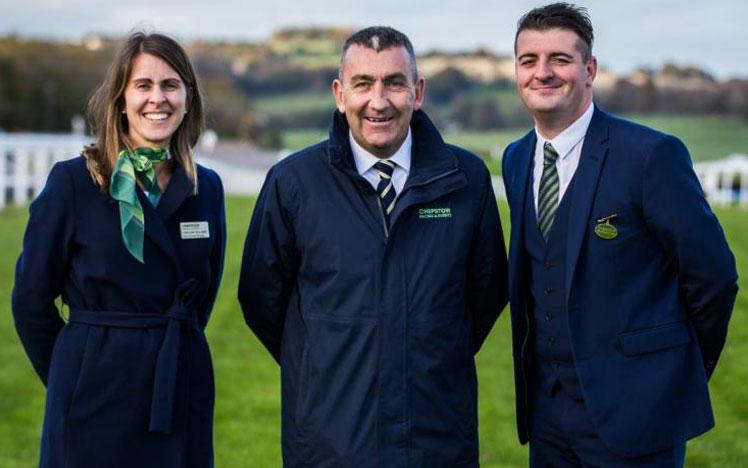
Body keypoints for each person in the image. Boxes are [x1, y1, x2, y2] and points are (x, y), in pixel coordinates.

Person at [238, 26, 508, 466]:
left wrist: (421, 349)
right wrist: (323, 365)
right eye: (363, 84)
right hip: (330, 444)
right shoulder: (293, 183)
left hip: (436, 440)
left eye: (394, 83)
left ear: (417, 92)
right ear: (340, 95)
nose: (378, 101)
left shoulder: (467, 179)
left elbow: (487, 295)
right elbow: (260, 300)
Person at [501, 3, 738, 467]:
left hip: (639, 414)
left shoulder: (651, 156)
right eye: (529, 60)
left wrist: (673, 375)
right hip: (548, 418)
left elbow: (714, 278)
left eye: (560, 59)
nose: (543, 73)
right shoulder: (515, 158)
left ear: (589, 70)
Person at [12, 32, 226, 468]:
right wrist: (76, 371)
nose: (158, 99)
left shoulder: (206, 187)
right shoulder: (73, 183)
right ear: (120, 99)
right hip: (92, 394)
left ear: (188, 98)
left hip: (177, 385)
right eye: (143, 86)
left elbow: (203, 297)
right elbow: (30, 300)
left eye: (171, 85)